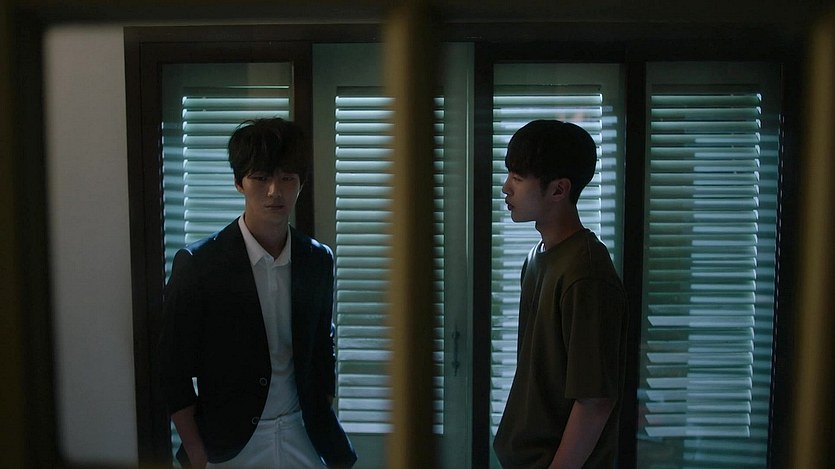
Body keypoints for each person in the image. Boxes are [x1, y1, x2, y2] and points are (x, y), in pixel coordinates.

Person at [158, 118, 357, 469]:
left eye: (287, 178)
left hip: (303, 430)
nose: (274, 192)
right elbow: (172, 367)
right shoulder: (200, 265)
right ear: (239, 183)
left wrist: (322, 402)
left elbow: (322, 344)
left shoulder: (317, 259)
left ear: (301, 182)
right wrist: (195, 449)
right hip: (230, 442)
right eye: (261, 178)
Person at [493, 120, 628, 468]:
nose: (505, 188)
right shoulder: (537, 258)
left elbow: (594, 401)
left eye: (518, 178)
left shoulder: (586, 273)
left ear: (558, 190)